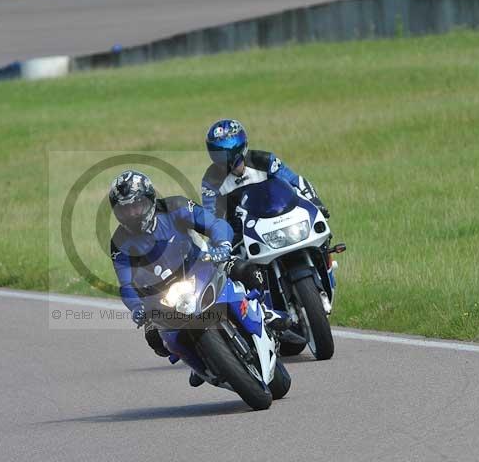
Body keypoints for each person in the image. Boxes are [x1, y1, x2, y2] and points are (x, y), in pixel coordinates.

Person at [108, 170, 290, 386]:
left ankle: (263, 311)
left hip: (202, 264)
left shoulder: (176, 207)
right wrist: (136, 308)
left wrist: (222, 245)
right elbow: (126, 284)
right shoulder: (119, 242)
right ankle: (201, 360)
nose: (132, 213)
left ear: (149, 200)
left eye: (136, 206)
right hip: (162, 294)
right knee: (154, 339)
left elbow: (214, 224)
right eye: (125, 209)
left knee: (245, 271)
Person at [201, 119, 329, 244]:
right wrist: (218, 239)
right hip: (239, 235)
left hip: (278, 219)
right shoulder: (211, 181)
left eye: (228, 156)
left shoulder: (264, 161)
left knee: (322, 240)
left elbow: (295, 181)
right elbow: (210, 216)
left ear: (240, 149)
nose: (227, 163)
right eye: (218, 156)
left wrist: (316, 203)